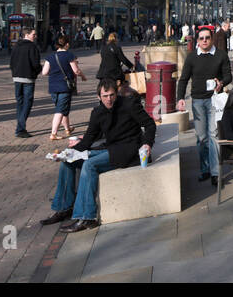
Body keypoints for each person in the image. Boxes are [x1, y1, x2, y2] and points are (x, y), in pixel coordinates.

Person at [41, 80, 157, 233]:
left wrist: (147, 143)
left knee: (90, 165)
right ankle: (64, 208)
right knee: (68, 162)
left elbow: (150, 124)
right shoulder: (97, 112)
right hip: (111, 148)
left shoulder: (129, 104)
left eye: (112, 95)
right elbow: (88, 140)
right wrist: (68, 153)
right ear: (98, 97)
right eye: (105, 96)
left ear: (116, 94)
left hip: (129, 150)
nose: (109, 99)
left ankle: (86, 217)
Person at [176, 26, 232, 186]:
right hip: (198, 101)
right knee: (201, 138)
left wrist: (221, 83)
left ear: (212, 39)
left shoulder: (220, 55)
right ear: (198, 41)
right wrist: (180, 98)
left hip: (215, 100)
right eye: (201, 38)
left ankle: (215, 173)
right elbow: (184, 79)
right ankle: (205, 169)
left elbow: (228, 75)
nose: (205, 41)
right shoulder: (192, 57)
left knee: (213, 135)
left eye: (207, 37)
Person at [41, 36, 85, 140]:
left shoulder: (50, 56)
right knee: (60, 110)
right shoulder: (69, 55)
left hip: (53, 87)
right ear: (67, 44)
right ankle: (53, 133)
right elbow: (76, 71)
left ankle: (67, 129)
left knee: (62, 108)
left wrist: (54, 74)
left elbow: (44, 72)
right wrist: (83, 76)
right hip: (65, 86)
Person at [10, 28, 43, 138]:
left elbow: (11, 62)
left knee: (20, 102)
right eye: (34, 34)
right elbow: (35, 63)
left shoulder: (16, 46)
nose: (35, 36)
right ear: (27, 35)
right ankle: (20, 128)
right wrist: (38, 70)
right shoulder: (32, 47)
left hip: (17, 77)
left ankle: (20, 126)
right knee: (27, 102)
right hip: (28, 77)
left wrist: (14, 72)